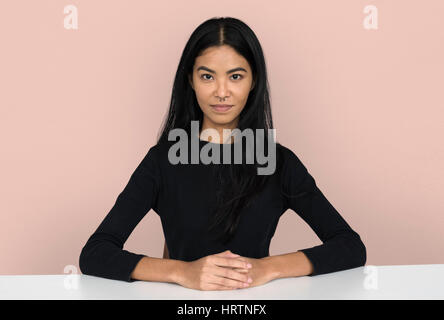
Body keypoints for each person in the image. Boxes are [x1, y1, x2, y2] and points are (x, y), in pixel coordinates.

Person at [79, 17, 366, 291]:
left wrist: (267, 268)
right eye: (207, 76)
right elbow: (95, 253)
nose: (221, 92)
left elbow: (350, 247)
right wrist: (182, 272)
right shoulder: (162, 161)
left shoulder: (278, 163)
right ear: (190, 80)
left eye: (235, 76)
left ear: (253, 81)